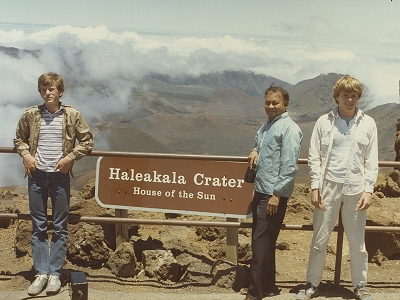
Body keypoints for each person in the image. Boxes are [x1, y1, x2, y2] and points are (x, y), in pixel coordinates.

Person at [296, 76, 378, 300]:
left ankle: (360, 286)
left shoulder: (368, 123)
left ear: (358, 97)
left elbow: (371, 160)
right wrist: (315, 187)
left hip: (356, 189)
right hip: (328, 187)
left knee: (357, 242)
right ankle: (312, 284)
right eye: (345, 95)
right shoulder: (324, 122)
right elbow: (315, 157)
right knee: (319, 239)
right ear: (337, 96)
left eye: (354, 95)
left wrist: (369, 189)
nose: (350, 99)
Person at [14, 72, 94, 296]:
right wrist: (26, 155)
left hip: (59, 176)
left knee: (60, 226)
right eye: (43, 89)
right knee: (38, 225)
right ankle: (41, 273)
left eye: (51, 89)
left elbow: (87, 141)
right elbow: (19, 138)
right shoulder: (30, 115)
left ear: (60, 91)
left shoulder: (72, 115)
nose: (47, 92)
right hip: (37, 175)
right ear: (40, 92)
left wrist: (70, 158)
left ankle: (55, 274)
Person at [245, 85, 303, 300]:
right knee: (265, 240)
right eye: (268, 102)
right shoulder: (268, 125)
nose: (271, 106)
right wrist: (254, 149)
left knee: (260, 242)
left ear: (285, 104)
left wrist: (277, 194)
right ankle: (268, 285)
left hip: (273, 194)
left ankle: (254, 293)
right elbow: (260, 142)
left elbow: (289, 166)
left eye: (275, 103)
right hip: (261, 189)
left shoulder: (289, 129)